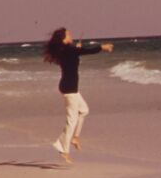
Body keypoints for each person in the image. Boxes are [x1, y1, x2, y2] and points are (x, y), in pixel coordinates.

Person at [43, 27, 113, 163]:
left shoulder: (66, 51)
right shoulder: (69, 50)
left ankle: (75, 138)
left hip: (70, 88)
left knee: (85, 110)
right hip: (69, 89)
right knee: (71, 121)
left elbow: (77, 53)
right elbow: (87, 51)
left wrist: (77, 50)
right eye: (68, 34)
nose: (71, 35)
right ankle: (64, 149)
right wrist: (102, 47)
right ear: (64, 38)